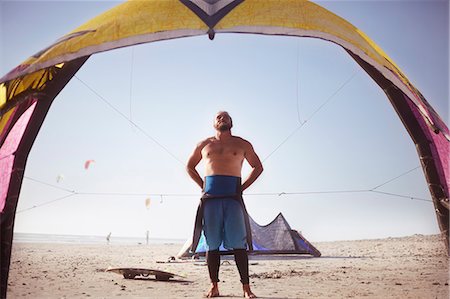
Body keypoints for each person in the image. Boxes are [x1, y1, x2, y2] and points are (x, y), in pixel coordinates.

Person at [186, 111, 263, 298]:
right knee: (212, 243)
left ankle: (246, 288)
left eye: (226, 116)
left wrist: (242, 187)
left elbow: (258, 167)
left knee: (238, 243)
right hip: (210, 198)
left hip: (233, 198)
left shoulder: (242, 144)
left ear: (231, 122)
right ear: (214, 123)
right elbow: (189, 166)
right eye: (219, 117)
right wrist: (202, 186)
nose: (222, 118)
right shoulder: (204, 144)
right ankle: (214, 286)